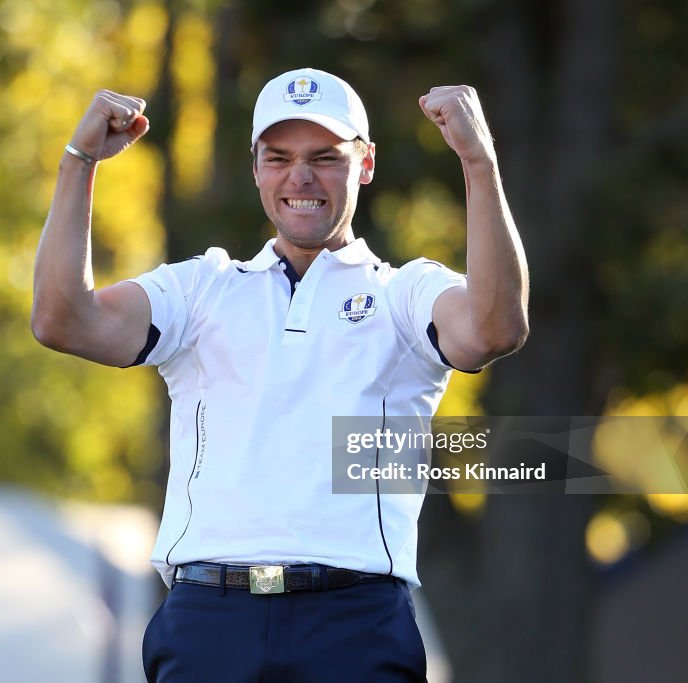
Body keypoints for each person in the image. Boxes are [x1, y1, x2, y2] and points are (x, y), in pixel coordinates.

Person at [31, 67, 528, 682]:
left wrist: (479, 162)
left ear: (365, 163)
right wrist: (79, 161)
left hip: (352, 622)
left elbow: (496, 328)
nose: (301, 177)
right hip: (210, 621)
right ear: (256, 166)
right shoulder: (200, 288)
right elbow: (62, 320)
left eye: (325, 157)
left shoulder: (405, 291)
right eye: (279, 157)